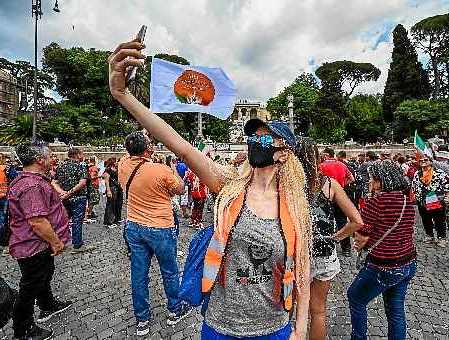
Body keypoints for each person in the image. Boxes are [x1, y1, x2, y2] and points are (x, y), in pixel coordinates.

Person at [108, 40, 312, 340]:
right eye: (252, 138)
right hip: (220, 326)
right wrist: (122, 94)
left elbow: (304, 269)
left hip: (274, 327)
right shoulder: (228, 186)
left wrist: (301, 327)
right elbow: (182, 147)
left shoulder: (295, 205)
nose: (256, 144)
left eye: (266, 140)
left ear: (284, 153)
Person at [118, 131, 187, 336]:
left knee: (139, 275)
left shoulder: (122, 165)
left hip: (134, 226)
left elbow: (130, 152)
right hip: (160, 227)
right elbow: (181, 189)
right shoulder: (161, 169)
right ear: (149, 148)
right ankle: (174, 310)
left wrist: (143, 138)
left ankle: (142, 320)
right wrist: (174, 170)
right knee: (169, 271)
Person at [295, 138, 363, 340]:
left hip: (296, 253)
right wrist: (334, 238)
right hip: (323, 252)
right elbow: (357, 221)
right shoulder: (329, 184)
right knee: (318, 312)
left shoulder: (286, 184)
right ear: (317, 157)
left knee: (289, 311)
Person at [8, 143, 72, 340]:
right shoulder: (32, 185)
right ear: (39, 160)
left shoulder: (29, 181)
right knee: (30, 286)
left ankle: (47, 304)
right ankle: (23, 330)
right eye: (51, 155)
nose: (55, 159)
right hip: (32, 244)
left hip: (38, 244)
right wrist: (56, 242)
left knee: (44, 276)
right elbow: (37, 221)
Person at [348, 161, 417, 340]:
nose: (369, 182)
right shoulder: (405, 198)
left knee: (356, 297)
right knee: (395, 308)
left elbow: (362, 237)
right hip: (408, 261)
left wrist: (357, 241)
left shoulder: (376, 201)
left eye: (371, 178)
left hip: (384, 264)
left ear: (379, 181)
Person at [52, 148, 91, 253]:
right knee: (77, 221)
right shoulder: (81, 166)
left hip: (65, 198)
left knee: (64, 220)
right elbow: (82, 183)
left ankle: (60, 241)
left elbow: (54, 182)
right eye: (82, 153)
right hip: (78, 197)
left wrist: (63, 193)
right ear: (78, 155)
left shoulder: (61, 167)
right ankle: (77, 245)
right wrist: (69, 193)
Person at [411, 156, 449, 248]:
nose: (423, 161)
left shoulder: (439, 172)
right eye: (421, 160)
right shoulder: (417, 173)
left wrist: (448, 196)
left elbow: (447, 185)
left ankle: (441, 237)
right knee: (426, 219)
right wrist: (414, 195)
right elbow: (414, 185)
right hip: (422, 200)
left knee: (439, 220)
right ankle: (429, 235)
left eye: (425, 160)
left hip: (436, 199)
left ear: (431, 161)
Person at [320, 148, 355, 257]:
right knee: (342, 222)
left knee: (326, 222)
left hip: (326, 198)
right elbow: (352, 179)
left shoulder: (321, 166)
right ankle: (346, 248)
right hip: (340, 197)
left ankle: (327, 246)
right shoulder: (342, 165)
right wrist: (341, 186)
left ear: (326, 155)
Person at [0, 152, 18, 251]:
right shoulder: (7, 168)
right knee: (4, 220)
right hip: (3, 198)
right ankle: (3, 242)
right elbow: (16, 179)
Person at [102, 157, 123, 228]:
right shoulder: (108, 170)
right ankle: (108, 222)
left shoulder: (117, 169)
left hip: (118, 189)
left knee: (118, 204)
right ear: (113, 162)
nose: (117, 162)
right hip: (112, 188)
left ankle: (116, 219)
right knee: (111, 205)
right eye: (116, 161)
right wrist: (108, 190)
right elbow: (106, 181)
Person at [86, 157, 101, 221]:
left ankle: (89, 212)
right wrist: (99, 176)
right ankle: (89, 213)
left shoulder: (90, 167)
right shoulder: (94, 167)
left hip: (90, 185)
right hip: (93, 185)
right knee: (93, 199)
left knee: (90, 199)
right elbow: (92, 177)